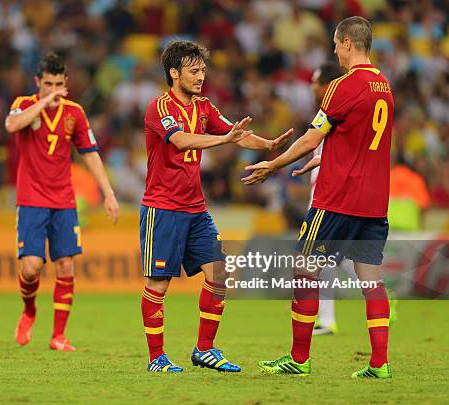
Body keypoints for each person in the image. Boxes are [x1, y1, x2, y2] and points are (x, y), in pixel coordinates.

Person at [243, 16, 394, 378]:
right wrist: (325, 157)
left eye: (335, 43)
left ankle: (298, 358)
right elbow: (360, 140)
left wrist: (273, 164)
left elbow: (312, 136)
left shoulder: (341, 85)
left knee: (304, 269)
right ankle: (379, 363)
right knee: (371, 280)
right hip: (374, 202)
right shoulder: (385, 85)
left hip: (337, 198)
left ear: (346, 43)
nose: (333, 50)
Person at [141, 40, 292, 373]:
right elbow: (181, 140)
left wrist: (265, 144)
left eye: (203, 70)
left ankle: (204, 349)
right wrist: (224, 140)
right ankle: (156, 358)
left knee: (219, 273)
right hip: (162, 208)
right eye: (194, 71)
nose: (200, 77)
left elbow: (234, 133)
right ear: (173, 73)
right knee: (159, 284)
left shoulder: (204, 106)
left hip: (196, 209)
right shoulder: (160, 108)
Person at [5, 52, 119, 351]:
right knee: (31, 267)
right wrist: (44, 103)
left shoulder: (75, 113)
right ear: (37, 82)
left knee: (65, 265)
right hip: (31, 199)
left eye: (59, 84)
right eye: (48, 84)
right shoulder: (24, 104)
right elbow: (12, 126)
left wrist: (107, 192)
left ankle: (59, 336)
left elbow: (90, 154)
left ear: (66, 82)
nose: (54, 89)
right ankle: (29, 311)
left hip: (64, 200)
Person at [292, 63, 358, 336]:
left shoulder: (336, 111)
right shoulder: (329, 111)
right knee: (329, 259)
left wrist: (275, 163)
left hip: (328, 197)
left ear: (328, 84)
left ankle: (378, 294)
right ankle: (328, 318)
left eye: (316, 81)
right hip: (322, 194)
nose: (312, 86)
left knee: (311, 258)